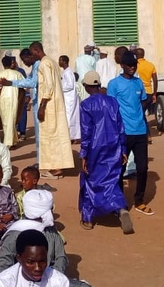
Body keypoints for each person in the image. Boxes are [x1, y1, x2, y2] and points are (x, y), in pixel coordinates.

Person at [78, 71, 133, 234]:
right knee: (112, 179)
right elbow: (120, 126)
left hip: (95, 148)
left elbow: (86, 131)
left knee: (90, 181)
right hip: (113, 145)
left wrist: (83, 154)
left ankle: (88, 218)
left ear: (87, 86)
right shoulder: (113, 102)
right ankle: (120, 208)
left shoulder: (86, 105)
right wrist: (123, 148)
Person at [107, 50, 153, 216]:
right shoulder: (114, 84)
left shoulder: (138, 83)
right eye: (129, 65)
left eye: (134, 65)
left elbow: (142, 103)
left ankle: (139, 200)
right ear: (122, 66)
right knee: (120, 168)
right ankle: (119, 202)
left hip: (140, 131)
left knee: (142, 168)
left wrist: (142, 123)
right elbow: (111, 109)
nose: (133, 68)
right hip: (123, 133)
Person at [0, 190, 67, 276]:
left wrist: (53, 280)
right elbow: (2, 267)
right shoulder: (14, 235)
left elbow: (61, 258)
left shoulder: (50, 230)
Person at [30, 42, 75, 178]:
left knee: (51, 137)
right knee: (57, 135)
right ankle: (57, 165)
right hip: (56, 104)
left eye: (32, 53)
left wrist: (42, 106)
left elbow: (48, 86)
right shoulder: (53, 62)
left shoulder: (44, 64)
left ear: (37, 51)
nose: (32, 56)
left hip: (49, 105)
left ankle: (56, 168)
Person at [0, 229, 69, 287]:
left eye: (42, 261)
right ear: (19, 258)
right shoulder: (4, 282)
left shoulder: (59, 281)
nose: (38, 268)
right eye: (31, 262)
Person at [0, 56, 24, 147]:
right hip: (14, 99)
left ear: (3, 64)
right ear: (11, 63)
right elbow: (25, 85)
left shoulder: (0, 74)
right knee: (11, 120)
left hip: (3, 100)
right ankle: (13, 140)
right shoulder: (17, 74)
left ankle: (7, 143)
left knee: (6, 121)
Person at [59, 55, 81, 143]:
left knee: (69, 117)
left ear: (64, 61)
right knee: (70, 117)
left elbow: (70, 85)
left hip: (69, 99)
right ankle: (71, 136)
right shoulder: (65, 72)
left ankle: (71, 136)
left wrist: (60, 86)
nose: (59, 62)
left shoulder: (68, 72)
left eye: (60, 60)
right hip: (67, 98)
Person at [134, 47, 158, 125]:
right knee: (143, 111)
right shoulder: (151, 65)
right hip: (149, 92)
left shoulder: (134, 65)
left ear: (136, 55)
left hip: (137, 92)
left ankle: (142, 130)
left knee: (139, 112)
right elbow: (155, 80)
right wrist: (154, 94)